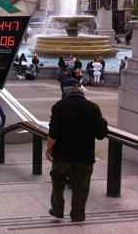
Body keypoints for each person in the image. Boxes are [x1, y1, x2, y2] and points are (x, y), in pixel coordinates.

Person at [46, 85, 108, 222]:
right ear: (82, 94)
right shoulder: (93, 107)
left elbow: (53, 133)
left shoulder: (59, 106)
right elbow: (100, 135)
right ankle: (78, 215)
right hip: (84, 157)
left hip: (62, 156)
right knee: (81, 187)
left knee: (57, 183)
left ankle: (57, 209)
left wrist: (48, 149)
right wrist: (103, 122)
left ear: (66, 94)